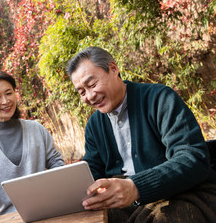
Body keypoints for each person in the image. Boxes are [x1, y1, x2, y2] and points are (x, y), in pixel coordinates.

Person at [66, 46, 216, 222]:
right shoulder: (94, 125)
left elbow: (193, 158)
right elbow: (92, 172)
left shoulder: (160, 99)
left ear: (114, 69)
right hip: (127, 205)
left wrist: (135, 186)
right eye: (82, 92)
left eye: (92, 85)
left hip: (182, 193)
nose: (89, 96)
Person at [0, 71, 64, 222]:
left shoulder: (37, 129)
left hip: (46, 212)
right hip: (7, 218)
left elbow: (56, 162)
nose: (5, 101)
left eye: (8, 93)